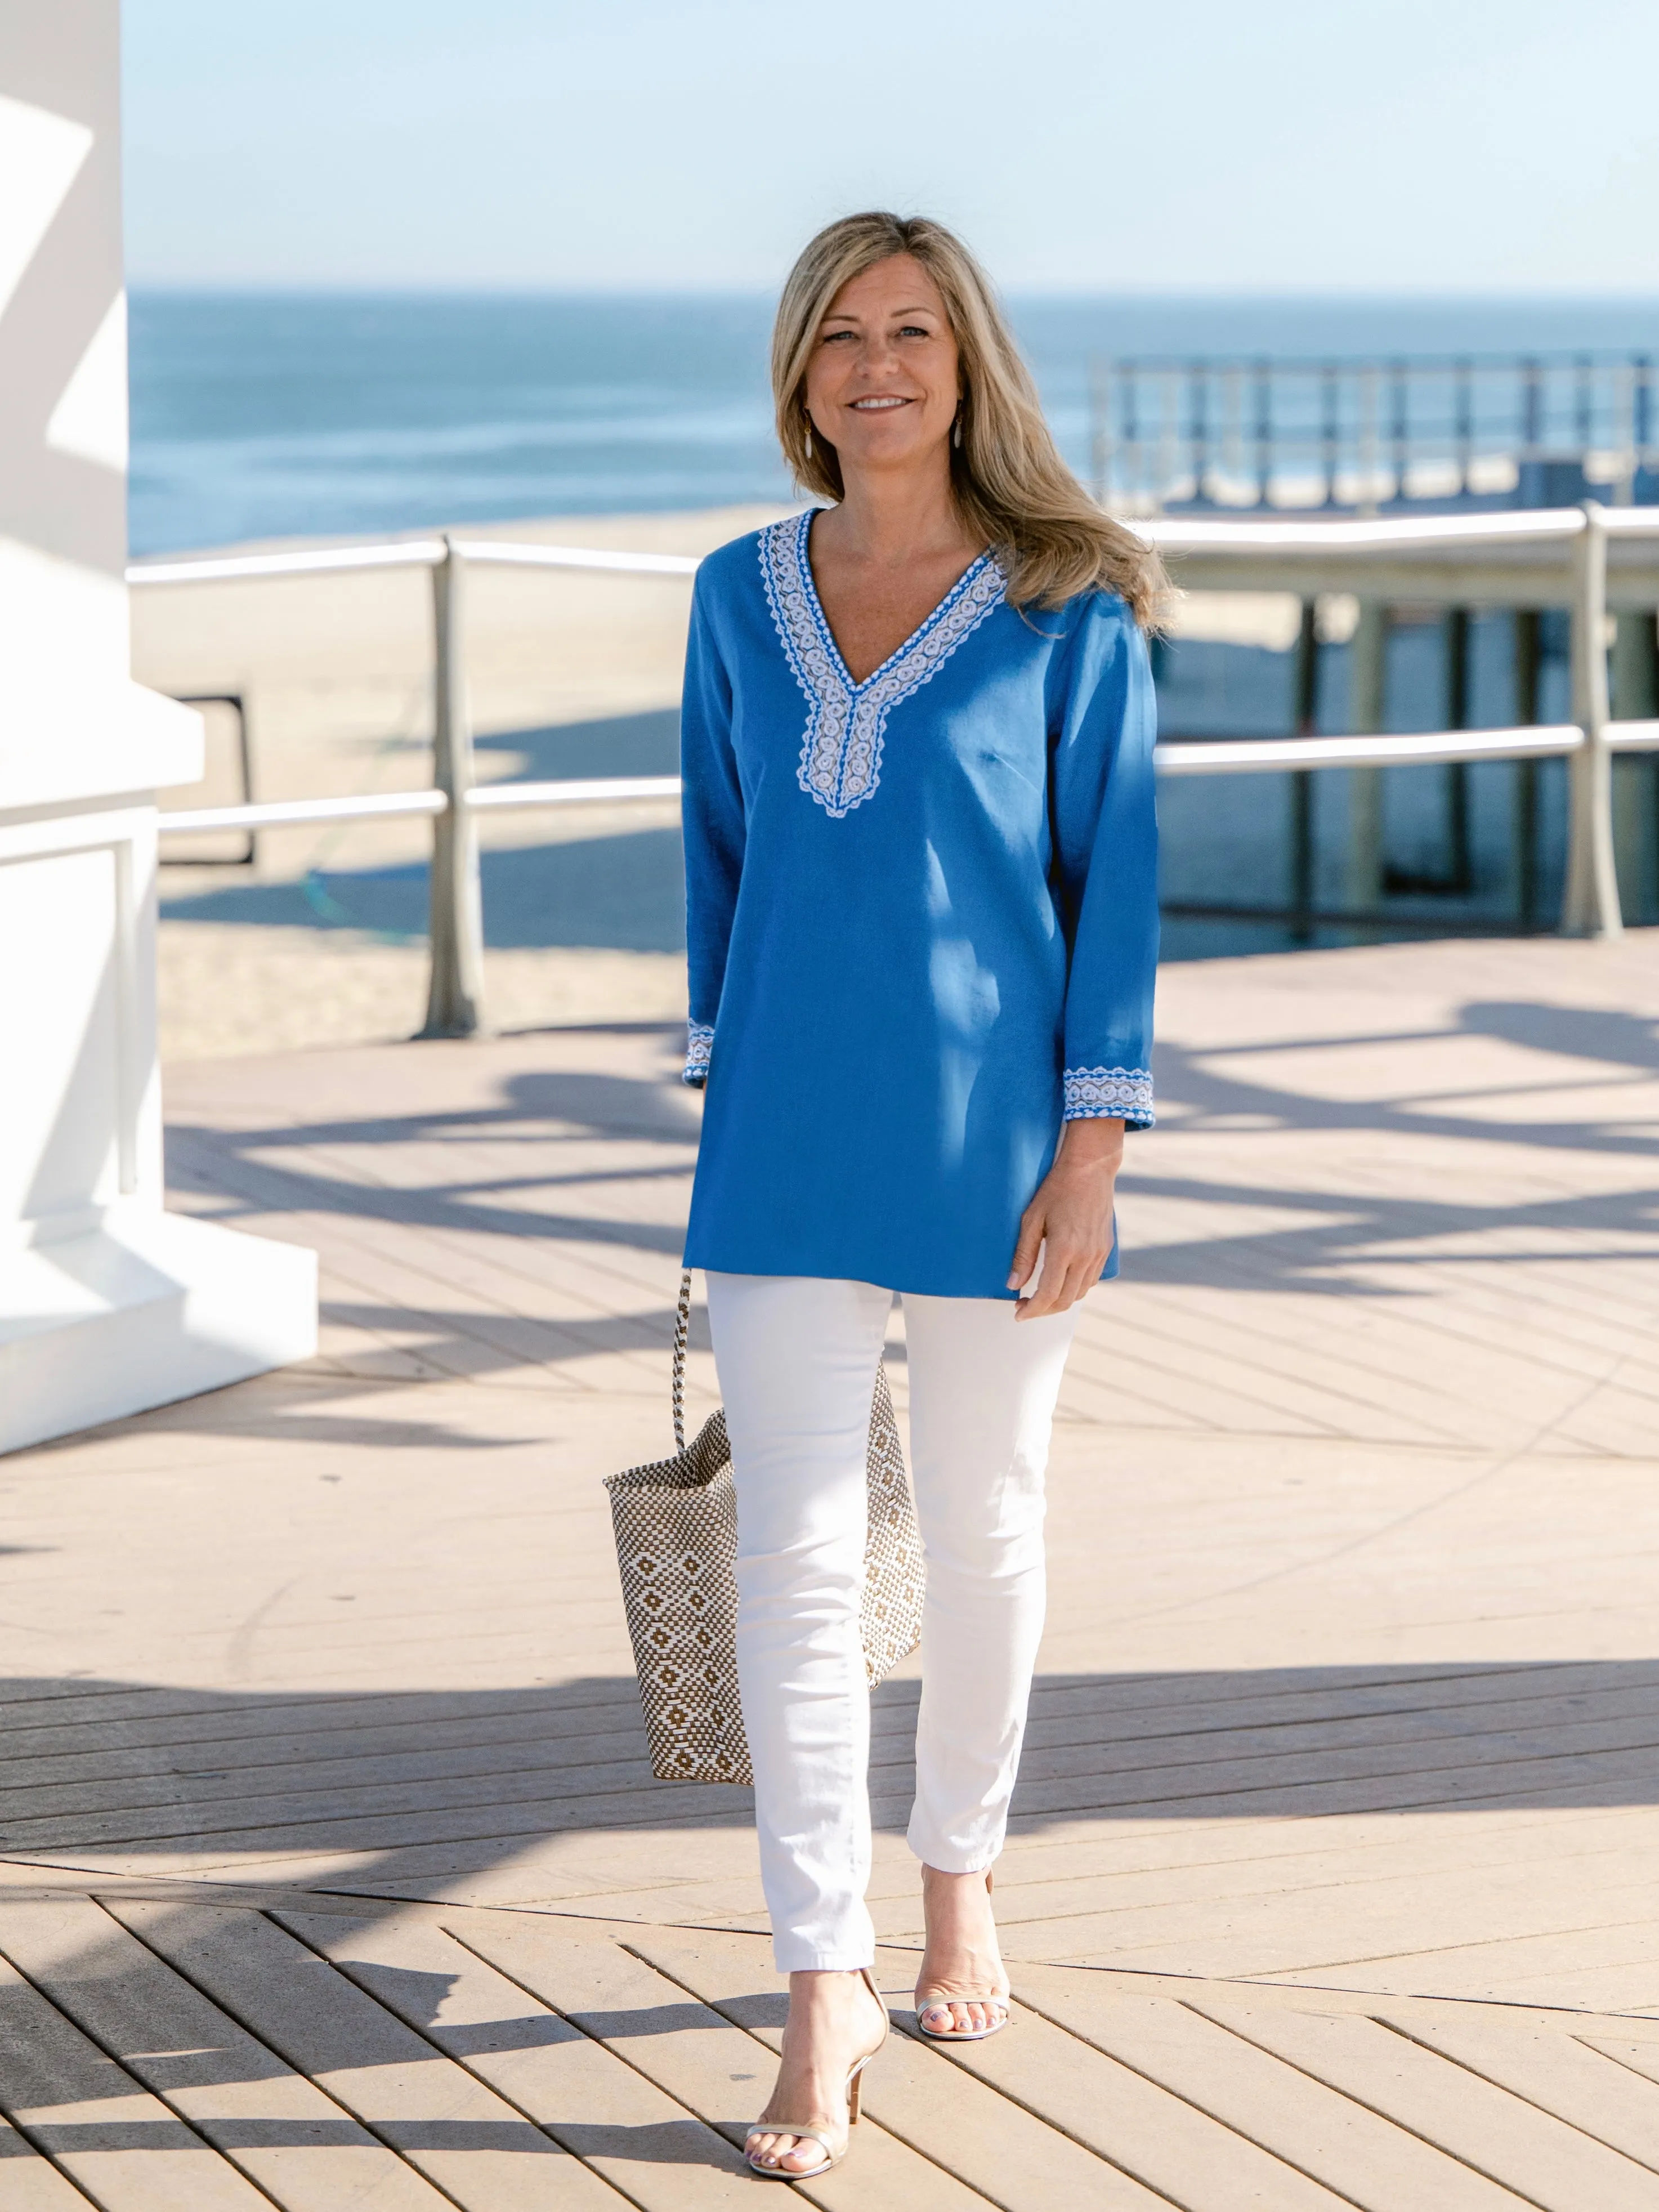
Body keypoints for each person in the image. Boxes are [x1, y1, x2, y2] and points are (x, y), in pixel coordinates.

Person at [678, 210, 1164, 2179]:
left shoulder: (1072, 601)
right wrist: (723, 1082)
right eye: (839, 338)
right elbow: (721, 865)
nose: (877, 367)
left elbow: (1110, 883)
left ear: (970, 362)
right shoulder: (731, 593)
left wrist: (1096, 1148)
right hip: (787, 1133)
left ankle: (959, 1867)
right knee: (789, 1568)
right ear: (800, 374)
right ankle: (822, 1977)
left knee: (981, 1529)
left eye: (914, 333)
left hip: (999, 1151)